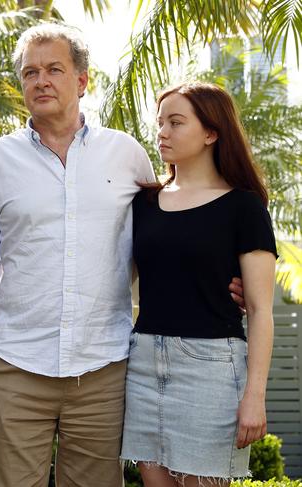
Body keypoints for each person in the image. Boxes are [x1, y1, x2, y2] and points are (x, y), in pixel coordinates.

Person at [0, 24, 245, 487]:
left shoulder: (126, 154)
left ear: (82, 80)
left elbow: (167, 239)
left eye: (54, 69)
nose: (41, 81)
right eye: (30, 72)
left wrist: (225, 283)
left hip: (103, 369)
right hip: (15, 364)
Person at [120, 82, 276, 487]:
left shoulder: (244, 207)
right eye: (160, 124)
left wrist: (254, 397)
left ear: (211, 132)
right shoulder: (144, 203)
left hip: (211, 368)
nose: (162, 133)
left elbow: (260, 309)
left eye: (176, 123)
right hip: (143, 361)